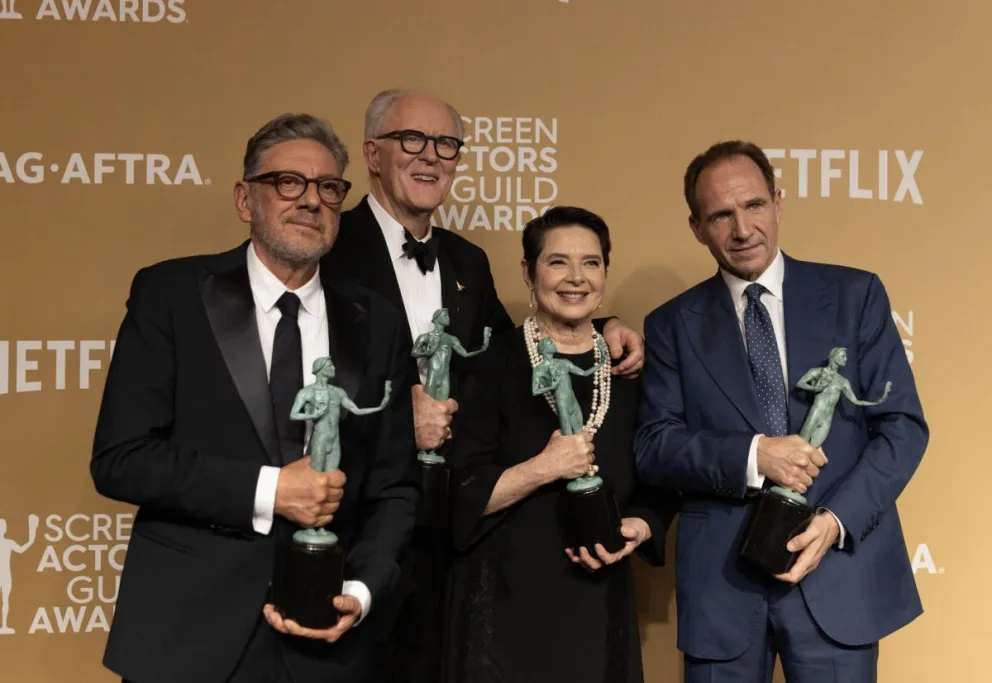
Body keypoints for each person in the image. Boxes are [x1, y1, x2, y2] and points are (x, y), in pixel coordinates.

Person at [320, 88, 647, 683]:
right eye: (411, 140)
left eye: (446, 144)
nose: (431, 156)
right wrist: (397, 419)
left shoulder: (466, 261)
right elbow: (292, 380)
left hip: (453, 536)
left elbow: (517, 341)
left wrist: (603, 325)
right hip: (354, 523)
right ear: (371, 153)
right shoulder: (326, 245)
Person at [90, 113, 418, 683]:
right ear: (246, 199)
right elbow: (122, 459)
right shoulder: (170, 295)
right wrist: (271, 490)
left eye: (329, 187)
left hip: (329, 645)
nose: (311, 200)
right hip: (187, 638)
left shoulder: (379, 322)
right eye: (288, 183)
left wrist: (360, 592)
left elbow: (395, 484)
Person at [633, 140, 928, 683]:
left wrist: (836, 521)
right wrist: (754, 455)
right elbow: (654, 446)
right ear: (697, 227)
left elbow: (902, 428)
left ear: (778, 201)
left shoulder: (855, 295)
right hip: (723, 589)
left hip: (837, 578)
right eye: (721, 215)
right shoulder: (671, 324)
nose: (742, 230)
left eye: (754, 206)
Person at [442, 207, 678, 683]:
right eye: (557, 262)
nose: (576, 278)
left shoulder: (631, 370)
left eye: (591, 263)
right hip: (503, 612)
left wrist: (642, 525)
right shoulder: (490, 367)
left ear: (606, 273)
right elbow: (456, 494)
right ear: (528, 272)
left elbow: (664, 476)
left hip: (598, 607)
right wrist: (544, 467)